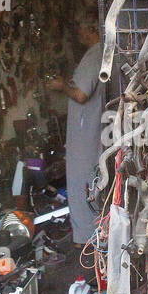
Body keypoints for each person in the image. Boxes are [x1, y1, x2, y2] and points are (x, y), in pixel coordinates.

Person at [47, 19, 105, 245]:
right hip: (90, 132)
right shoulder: (99, 53)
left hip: (85, 135)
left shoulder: (94, 55)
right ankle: (93, 234)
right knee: (90, 181)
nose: (77, 31)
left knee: (82, 183)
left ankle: (87, 239)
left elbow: (81, 94)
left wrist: (62, 86)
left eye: (80, 26)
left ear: (91, 29)